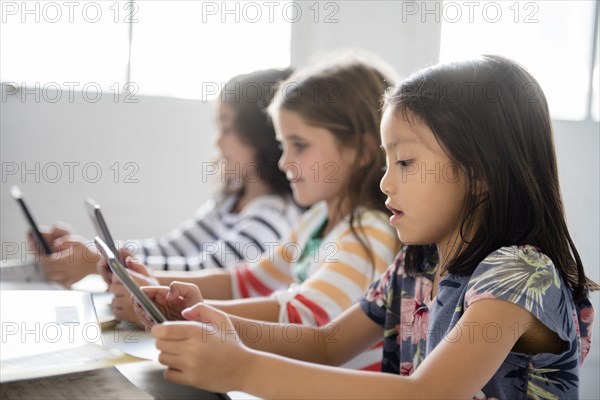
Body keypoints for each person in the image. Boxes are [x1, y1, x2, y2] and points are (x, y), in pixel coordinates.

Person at [140, 55, 596, 398]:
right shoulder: (415, 263)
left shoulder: (518, 275)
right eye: (386, 162)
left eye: (405, 161)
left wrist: (241, 370)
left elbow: (428, 394)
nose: (384, 181)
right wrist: (218, 322)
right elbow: (326, 343)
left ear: (480, 170)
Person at [127, 56, 400, 369]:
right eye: (283, 146)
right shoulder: (317, 221)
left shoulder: (367, 235)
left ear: (361, 150)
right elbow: (244, 281)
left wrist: (194, 314)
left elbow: (302, 319)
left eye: (299, 145)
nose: (284, 162)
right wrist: (152, 287)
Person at [28, 68, 303, 287]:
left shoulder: (272, 217)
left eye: (227, 128)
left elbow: (204, 273)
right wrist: (92, 250)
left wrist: (100, 261)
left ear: (263, 135)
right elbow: (170, 248)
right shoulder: (230, 201)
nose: (217, 141)